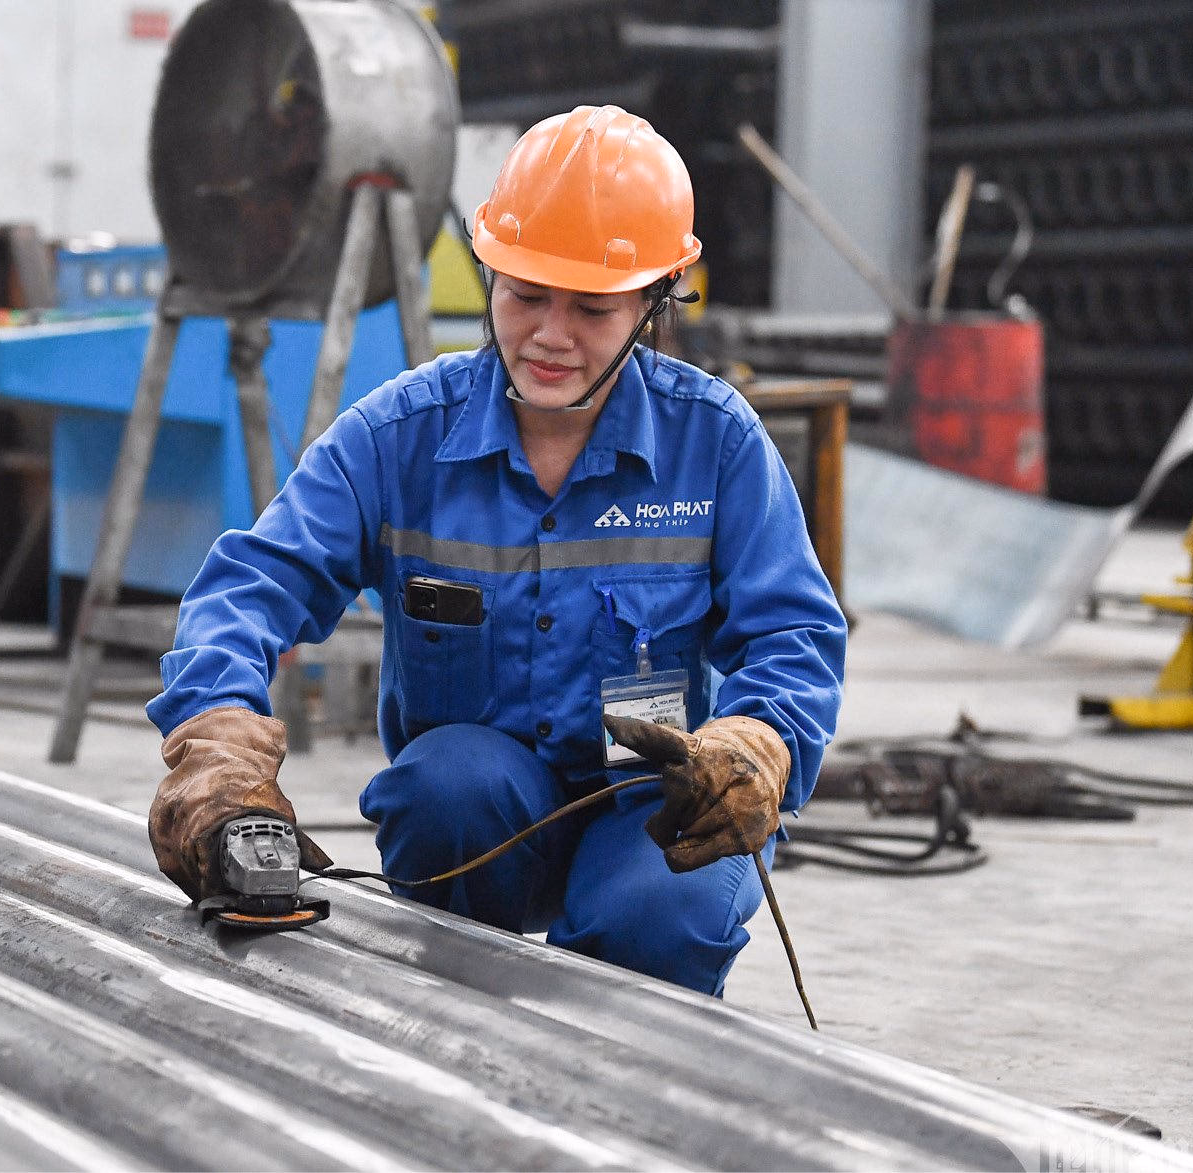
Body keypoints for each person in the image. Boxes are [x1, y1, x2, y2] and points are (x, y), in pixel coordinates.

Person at [144, 105, 846, 995]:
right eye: (525, 294)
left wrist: (759, 738)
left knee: (665, 910)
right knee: (446, 787)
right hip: (479, 822)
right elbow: (250, 586)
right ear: (488, 272)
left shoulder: (716, 444)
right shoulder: (398, 437)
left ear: (656, 299)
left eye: (592, 307)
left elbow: (793, 633)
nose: (550, 334)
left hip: (648, 807)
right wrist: (216, 745)